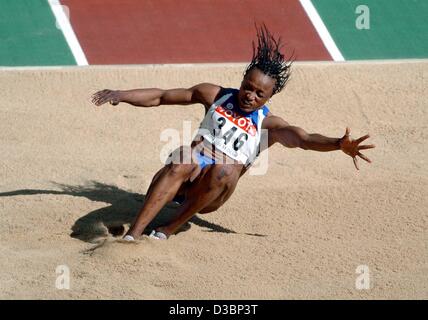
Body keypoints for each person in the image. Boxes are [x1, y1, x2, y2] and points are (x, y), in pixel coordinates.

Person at [91, 25, 375, 241]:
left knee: (226, 168)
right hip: (184, 175)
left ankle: (170, 227)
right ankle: (134, 234)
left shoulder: (268, 125)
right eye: (247, 87)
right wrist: (121, 94)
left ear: (269, 96)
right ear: (242, 81)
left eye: (259, 93)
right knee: (185, 156)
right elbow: (163, 95)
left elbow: (303, 139)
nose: (250, 96)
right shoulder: (215, 95)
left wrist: (337, 144)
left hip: (212, 192)